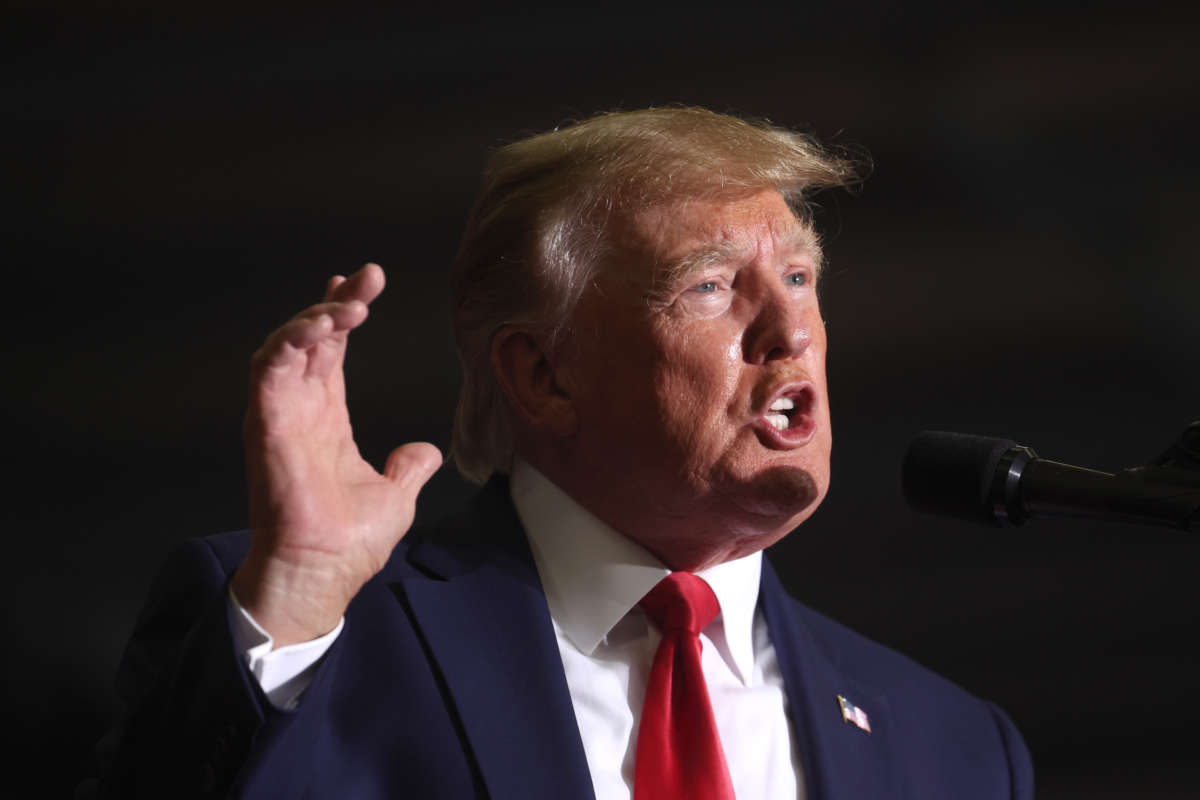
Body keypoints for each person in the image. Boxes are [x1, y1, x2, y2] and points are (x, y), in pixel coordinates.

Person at [82, 107, 1034, 799]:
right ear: (541, 374)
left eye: (797, 276)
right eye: (709, 286)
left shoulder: (954, 749)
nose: (791, 329)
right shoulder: (315, 642)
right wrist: (292, 607)